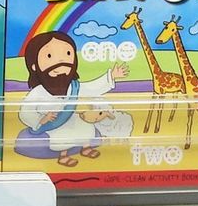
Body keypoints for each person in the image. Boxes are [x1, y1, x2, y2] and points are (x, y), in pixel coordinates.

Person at [14, 30, 119, 162]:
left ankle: (86, 148)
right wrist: (41, 119)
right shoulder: (38, 92)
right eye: (50, 56)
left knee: (86, 127)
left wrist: (111, 77)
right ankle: (63, 156)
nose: (61, 61)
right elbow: (26, 112)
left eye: (68, 54)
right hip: (52, 125)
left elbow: (91, 88)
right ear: (34, 66)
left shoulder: (74, 87)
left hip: (72, 119)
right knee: (61, 136)